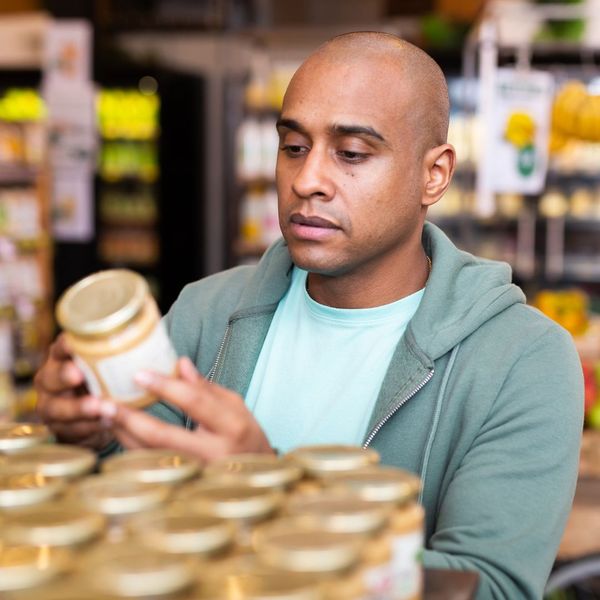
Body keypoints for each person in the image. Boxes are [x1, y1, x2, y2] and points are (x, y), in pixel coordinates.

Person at [35, 32, 583, 598]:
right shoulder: (205, 312)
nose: (306, 181)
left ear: (434, 175)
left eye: (351, 154)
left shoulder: (523, 360)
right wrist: (90, 434)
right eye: (294, 147)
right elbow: (133, 521)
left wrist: (272, 493)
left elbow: (489, 587)